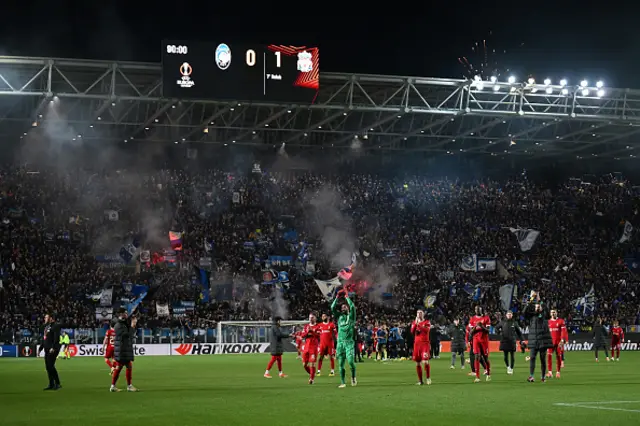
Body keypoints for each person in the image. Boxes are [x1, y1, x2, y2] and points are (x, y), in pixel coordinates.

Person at [523, 291, 553, 382]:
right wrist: (531, 300)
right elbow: (524, 312)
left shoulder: (544, 315)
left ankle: (543, 377)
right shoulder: (532, 316)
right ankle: (531, 376)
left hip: (542, 341)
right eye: (536, 306)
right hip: (533, 340)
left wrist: (541, 301)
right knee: (532, 358)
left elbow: (547, 311)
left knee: (542, 359)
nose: (537, 307)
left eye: (538, 306)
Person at [331, 290, 357, 388]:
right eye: (342, 307)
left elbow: (353, 306)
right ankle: (343, 382)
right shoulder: (340, 317)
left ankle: (353, 377)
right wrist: (337, 296)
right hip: (340, 343)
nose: (343, 307)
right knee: (341, 364)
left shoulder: (351, 317)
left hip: (349, 343)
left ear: (348, 308)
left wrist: (346, 296)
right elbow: (332, 307)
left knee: (350, 362)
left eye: (345, 306)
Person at [110, 308, 138, 392]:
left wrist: (133, 322)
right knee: (124, 367)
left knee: (125, 367)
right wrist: (133, 325)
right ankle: (127, 386)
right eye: (125, 313)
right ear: (121, 314)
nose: (127, 314)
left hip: (123, 349)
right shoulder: (118, 325)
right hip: (122, 350)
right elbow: (127, 335)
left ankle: (114, 386)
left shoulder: (122, 323)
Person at [468, 306, 492, 383]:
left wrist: (481, 326)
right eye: (476, 309)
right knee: (477, 357)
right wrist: (475, 326)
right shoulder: (472, 319)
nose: (477, 310)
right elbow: (471, 332)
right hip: (476, 340)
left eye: (478, 309)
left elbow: (488, 331)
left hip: (484, 340)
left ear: (481, 310)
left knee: (485, 358)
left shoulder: (486, 318)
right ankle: (477, 377)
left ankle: (488, 373)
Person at [39, 313, 62, 391]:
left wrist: (53, 347)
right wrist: (40, 348)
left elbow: (56, 338)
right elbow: (44, 338)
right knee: (48, 367)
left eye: (46, 317)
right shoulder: (46, 327)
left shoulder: (56, 326)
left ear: (51, 318)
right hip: (46, 349)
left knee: (51, 366)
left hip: (53, 349)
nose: (44, 319)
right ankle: (51, 384)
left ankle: (58, 383)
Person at [496, 310, 524, 375]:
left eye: (510, 314)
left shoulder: (515, 323)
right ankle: (508, 366)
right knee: (505, 357)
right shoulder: (502, 322)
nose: (509, 315)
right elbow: (496, 328)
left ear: (512, 315)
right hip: (504, 341)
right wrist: (498, 332)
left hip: (512, 341)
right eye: (508, 314)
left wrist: (522, 340)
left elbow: (519, 333)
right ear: (506, 315)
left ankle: (511, 368)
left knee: (512, 356)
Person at [411, 309, 431, 385]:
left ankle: (428, 378)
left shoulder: (427, 322)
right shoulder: (414, 323)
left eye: (420, 313)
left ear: (423, 314)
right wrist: (416, 324)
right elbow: (412, 331)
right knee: (417, 363)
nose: (419, 314)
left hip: (425, 344)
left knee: (425, 361)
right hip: (417, 344)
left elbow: (426, 330)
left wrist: (419, 324)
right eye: (418, 312)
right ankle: (420, 381)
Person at [546, 309, 568, 378]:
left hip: (558, 342)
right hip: (550, 342)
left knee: (558, 357)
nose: (553, 313)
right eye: (552, 312)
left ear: (556, 313)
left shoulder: (561, 321)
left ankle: (558, 372)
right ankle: (550, 372)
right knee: (549, 356)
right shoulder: (548, 322)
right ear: (550, 314)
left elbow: (563, 331)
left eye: (554, 312)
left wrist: (562, 340)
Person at [301, 313, 320, 384]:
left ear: (315, 318)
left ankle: (312, 379)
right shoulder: (306, 326)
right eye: (310, 317)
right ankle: (312, 374)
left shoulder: (318, 326)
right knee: (304, 365)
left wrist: (312, 331)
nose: (310, 319)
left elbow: (318, 335)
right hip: (306, 348)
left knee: (312, 364)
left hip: (313, 348)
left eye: (312, 317)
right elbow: (302, 335)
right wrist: (308, 332)